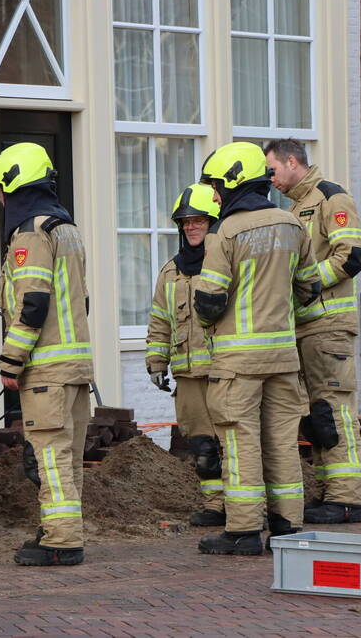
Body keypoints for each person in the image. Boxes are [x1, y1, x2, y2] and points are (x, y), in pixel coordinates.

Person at [193, 142, 321, 556]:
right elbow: (311, 285)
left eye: (215, 185)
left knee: (240, 440)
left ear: (232, 180)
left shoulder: (225, 231)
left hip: (238, 362)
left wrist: (211, 324)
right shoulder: (291, 224)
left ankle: (244, 531)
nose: (213, 195)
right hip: (284, 357)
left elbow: (210, 299)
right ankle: (288, 527)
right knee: (283, 440)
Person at [0, 142, 93, 567]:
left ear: (15, 184)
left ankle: (62, 539)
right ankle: (60, 527)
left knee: (49, 454)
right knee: (69, 456)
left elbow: (32, 302)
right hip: (76, 365)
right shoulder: (65, 228)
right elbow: (80, 300)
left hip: (46, 366)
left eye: (1, 189)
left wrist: (10, 361)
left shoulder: (31, 233)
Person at [264, 138, 361, 524]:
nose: (269, 178)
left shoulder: (331, 199)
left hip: (329, 326)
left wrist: (307, 284)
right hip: (307, 326)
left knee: (334, 411)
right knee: (317, 416)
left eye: (272, 169)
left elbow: (351, 256)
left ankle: (346, 499)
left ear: (293, 161)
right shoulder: (294, 208)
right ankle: (331, 493)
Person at [145, 184, 227, 528]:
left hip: (225, 372)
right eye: (185, 222)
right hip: (188, 376)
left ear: (213, 222)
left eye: (198, 221)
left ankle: (247, 507)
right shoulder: (171, 271)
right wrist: (156, 362)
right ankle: (215, 506)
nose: (190, 227)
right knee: (203, 447)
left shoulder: (225, 262)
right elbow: (160, 319)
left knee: (235, 444)